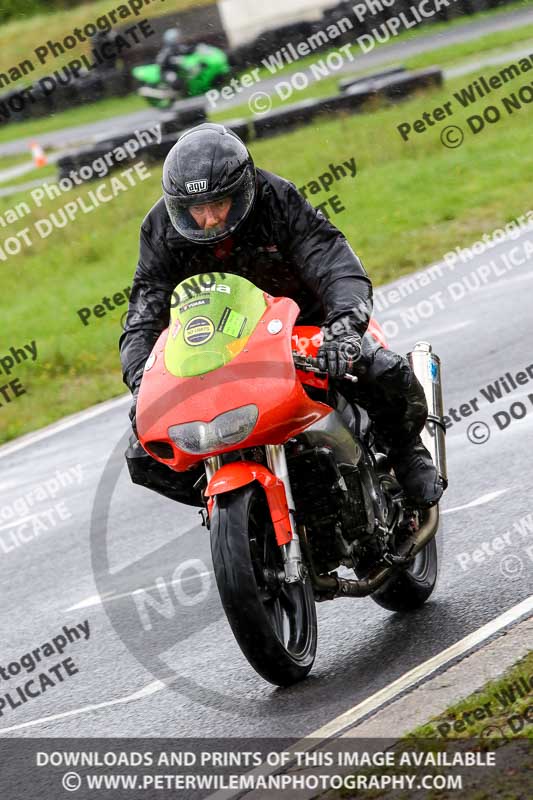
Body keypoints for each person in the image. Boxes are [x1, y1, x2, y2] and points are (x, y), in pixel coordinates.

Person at [119, 123, 445, 509]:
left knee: (379, 370)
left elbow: (335, 264)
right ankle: (233, 505)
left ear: (241, 192)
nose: (208, 219)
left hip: (305, 328)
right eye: (197, 209)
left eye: (218, 205)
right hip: (220, 348)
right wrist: (143, 382)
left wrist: (342, 331)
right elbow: (144, 311)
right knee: (142, 452)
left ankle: (407, 453)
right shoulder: (161, 230)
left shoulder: (277, 200)